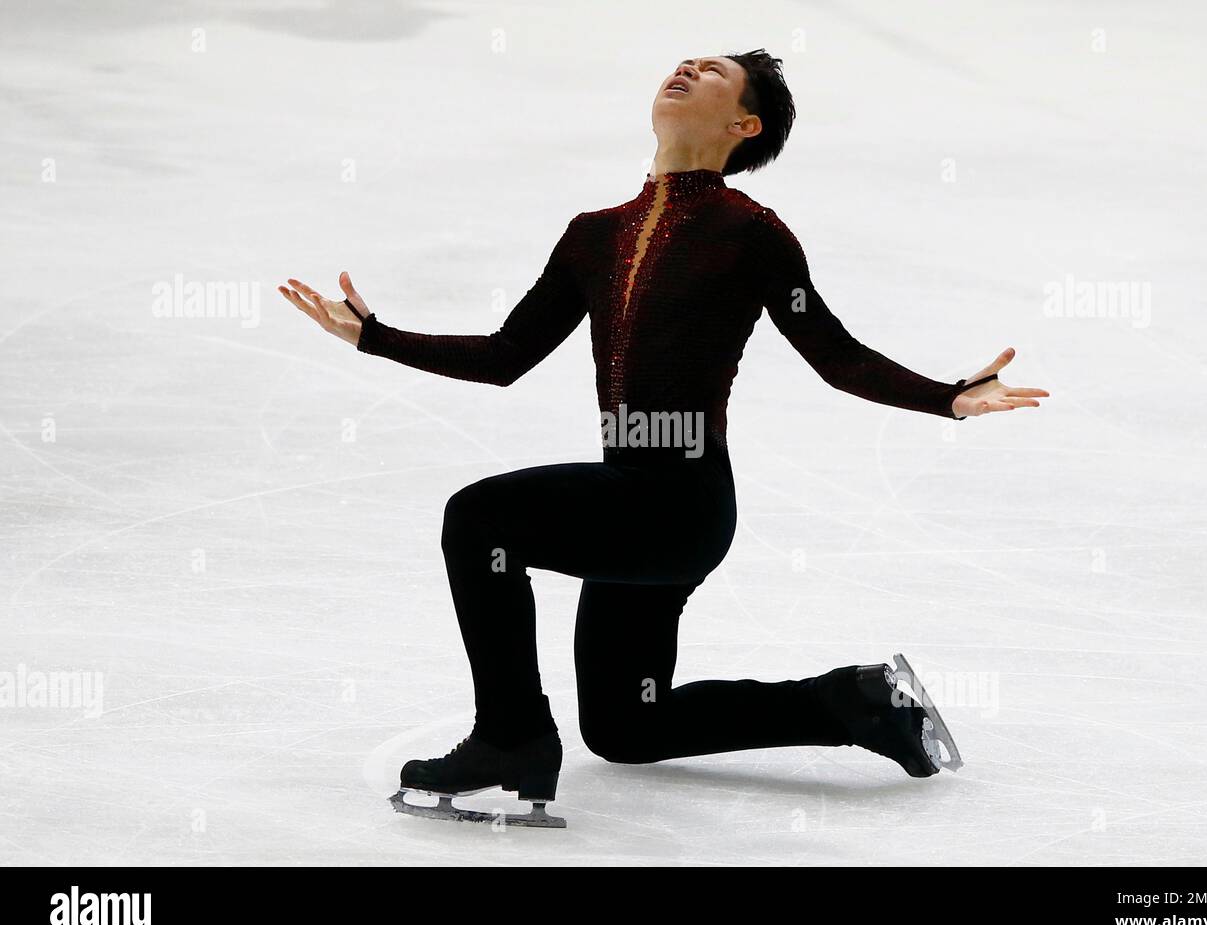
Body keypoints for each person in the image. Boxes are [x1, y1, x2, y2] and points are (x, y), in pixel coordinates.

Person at [279, 50, 1049, 823]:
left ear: (743, 125)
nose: (686, 67)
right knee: (625, 726)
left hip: (681, 505)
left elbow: (836, 355)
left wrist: (948, 398)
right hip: (625, 511)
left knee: (481, 518)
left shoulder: (752, 235)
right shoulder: (593, 235)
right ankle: (857, 701)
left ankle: (509, 737)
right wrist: (377, 338)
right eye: (683, 61)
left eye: (713, 72)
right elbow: (505, 357)